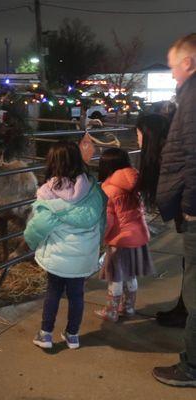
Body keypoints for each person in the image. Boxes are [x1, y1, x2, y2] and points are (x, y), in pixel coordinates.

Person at [24, 141, 106, 350]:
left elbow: (38, 227)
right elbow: (101, 220)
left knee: (53, 293)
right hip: (82, 257)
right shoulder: (92, 191)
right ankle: (73, 335)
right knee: (77, 295)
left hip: (57, 257)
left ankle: (46, 335)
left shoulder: (47, 193)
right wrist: (99, 245)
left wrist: (31, 242)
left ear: (51, 163)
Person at [152, 33, 196, 388]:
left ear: (190, 62)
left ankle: (192, 367)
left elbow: (193, 157)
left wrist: (191, 208)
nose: (172, 75)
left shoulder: (194, 97)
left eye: (174, 67)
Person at [135, 113, 189, 328]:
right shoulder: (169, 153)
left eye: (138, 133)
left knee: (191, 265)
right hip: (186, 215)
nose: (136, 138)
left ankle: (186, 312)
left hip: (189, 214)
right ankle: (184, 308)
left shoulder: (168, 157)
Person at [94, 148, 154, 322]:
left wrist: (101, 238)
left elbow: (109, 220)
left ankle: (111, 311)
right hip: (139, 236)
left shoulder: (109, 189)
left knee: (116, 276)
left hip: (120, 240)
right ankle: (128, 308)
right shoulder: (136, 182)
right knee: (130, 274)